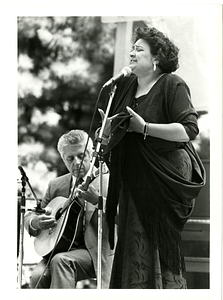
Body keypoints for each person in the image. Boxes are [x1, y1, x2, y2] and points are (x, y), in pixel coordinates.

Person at [98, 26, 206, 289]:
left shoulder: (172, 84)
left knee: (152, 239)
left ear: (156, 58)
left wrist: (144, 128)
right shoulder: (124, 85)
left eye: (138, 49)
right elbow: (122, 127)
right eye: (132, 48)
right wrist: (111, 129)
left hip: (164, 174)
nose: (131, 53)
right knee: (134, 239)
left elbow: (188, 130)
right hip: (133, 174)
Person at [24, 129, 115, 289]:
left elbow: (125, 215)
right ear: (63, 159)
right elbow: (31, 215)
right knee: (38, 276)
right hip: (60, 247)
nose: (77, 162)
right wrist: (36, 222)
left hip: (96, 252)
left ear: (91, 153)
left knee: (61, 262)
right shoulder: (57, 185)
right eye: (70, 158)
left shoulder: (108, 180)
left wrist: (98, 201)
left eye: (81, 156)